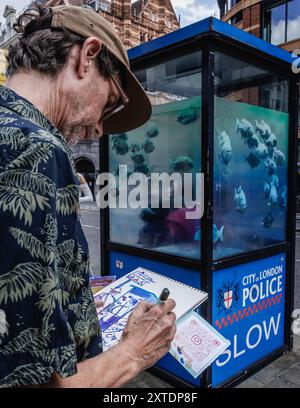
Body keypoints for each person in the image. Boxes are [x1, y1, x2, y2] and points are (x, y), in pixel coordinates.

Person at [0, 5, 176, 388]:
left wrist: (70, 304)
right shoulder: (37, 150)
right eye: (109, 103)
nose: (99, 128)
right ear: (87, 56)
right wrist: (134, 353)